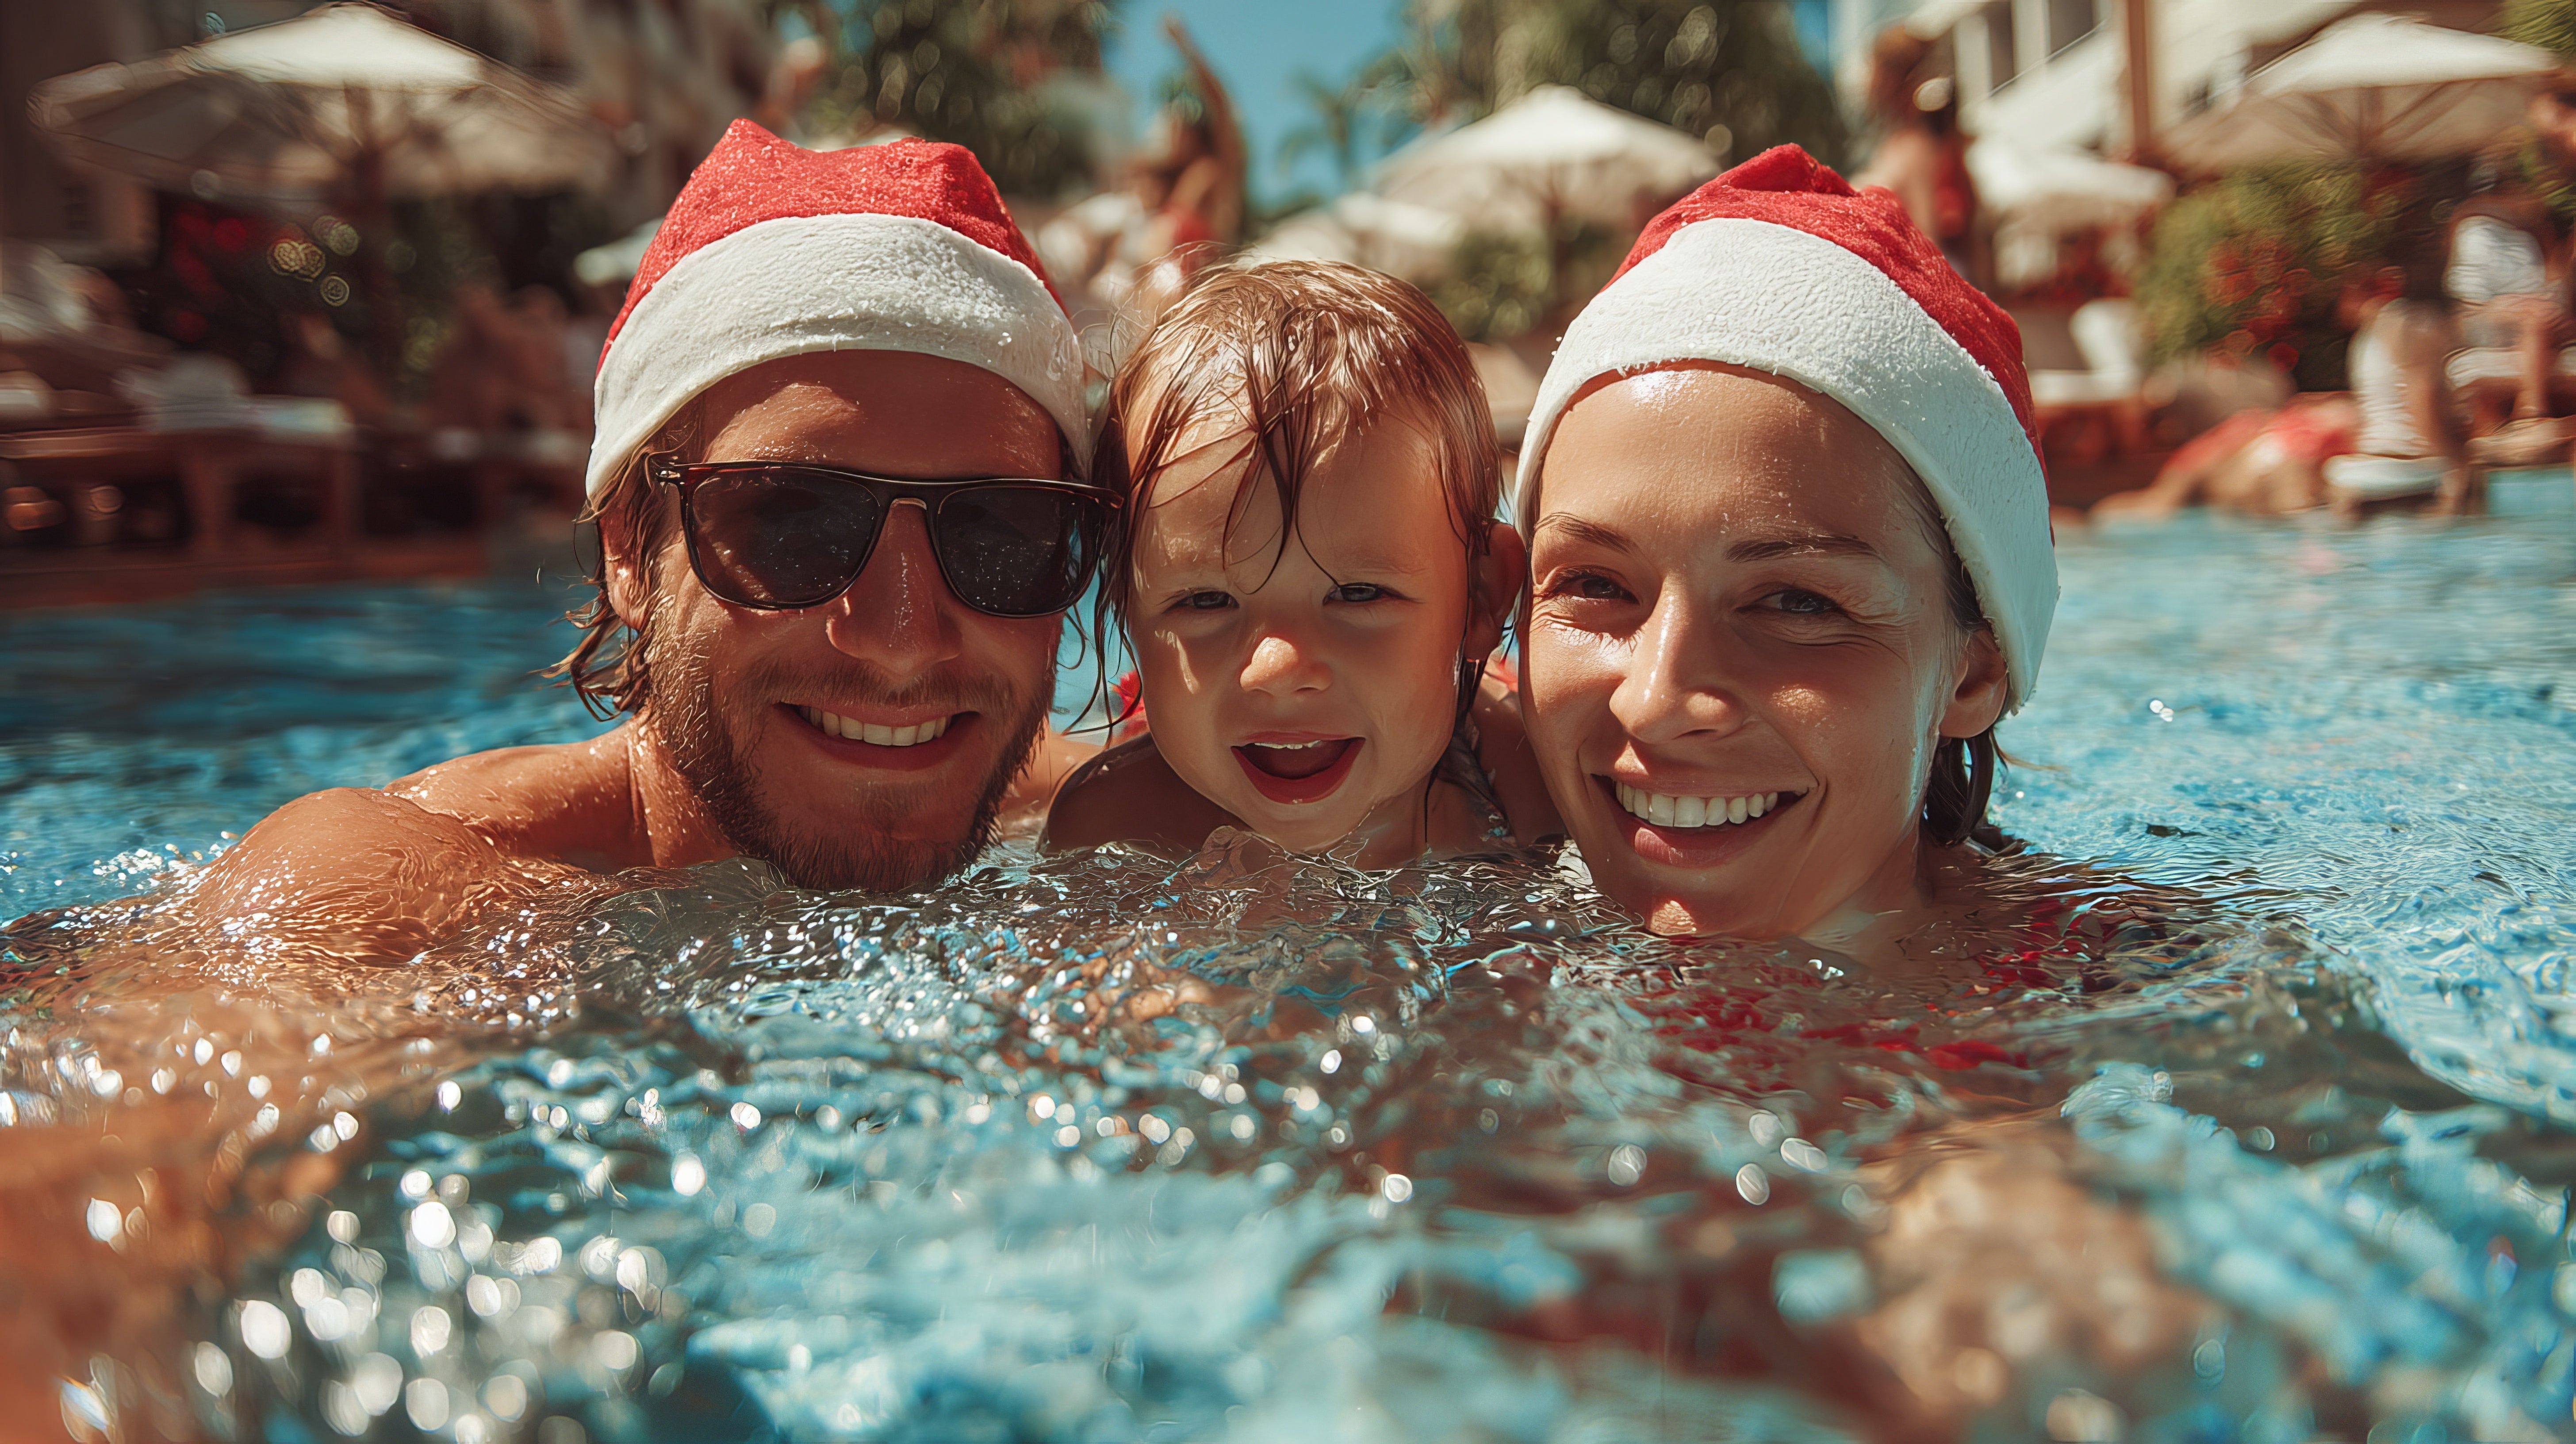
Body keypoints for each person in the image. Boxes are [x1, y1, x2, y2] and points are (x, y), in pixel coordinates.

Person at [156, 123, 1108, 964]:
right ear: (626, 551)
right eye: (791, 521)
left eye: (999, 532)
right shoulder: (403, 894)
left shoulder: (1121, 806)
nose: (902, 641)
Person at [1507, 146, 2051, 952]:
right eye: (1592, 583)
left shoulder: (2139, 1001)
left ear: (1972, 669)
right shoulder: (1448, 921)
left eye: (1796, 601)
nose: (1654, 700)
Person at [1042, 259, 1545, 864]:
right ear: (1123, 606)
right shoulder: (1113, 832)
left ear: (1481, 597)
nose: (1277, 668)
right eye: (1205, 601)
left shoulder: (1522, 790)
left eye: (1358, 594)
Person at [2322, 264, 2471, 515]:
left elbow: (2419, 393)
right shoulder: (2380, 330)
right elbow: (2420, 393)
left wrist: (2452, 462)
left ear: (2351, 294)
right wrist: (2457, 461)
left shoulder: (2392, 326)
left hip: (2393, 459)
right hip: (2408, 459)